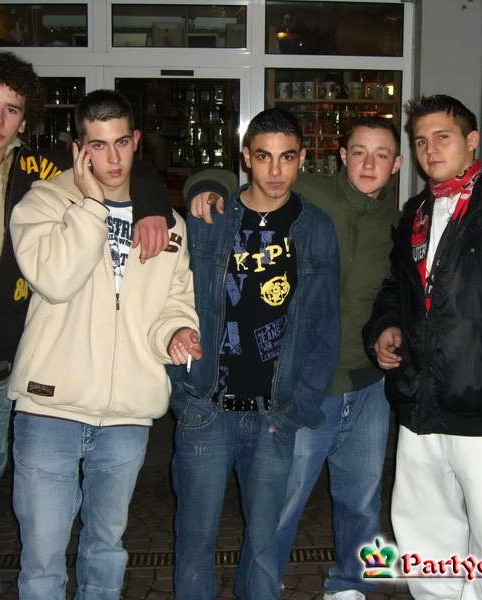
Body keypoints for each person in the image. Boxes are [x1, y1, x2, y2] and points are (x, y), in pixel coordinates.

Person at [0, 51, 171, 600]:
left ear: (26, 119)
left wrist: (154, 203)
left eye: (12, 109)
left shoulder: (35, 172)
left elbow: (114, 161)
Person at [187, 116, 403, 600]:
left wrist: (392, 326)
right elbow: (238, 178)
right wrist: (205, 185)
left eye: (382, 155)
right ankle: (267, 584)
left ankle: (354, 585)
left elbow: (398, 292)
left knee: (364, 499)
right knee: (280, 504)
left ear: (397, 163)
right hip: (307, 383)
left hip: (369, 384)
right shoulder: (308, 193)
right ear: (341, 156)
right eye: (359, 152)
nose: (369, 164)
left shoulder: (400, 222)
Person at [7, 89, 199, 599]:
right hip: (51, 408)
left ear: (136, 141)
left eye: (121, 143)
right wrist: (92, 205)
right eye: (97, 145)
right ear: (79, 149)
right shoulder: (44, 204)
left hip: (127, 415)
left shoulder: (168, 225)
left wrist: (175, 332)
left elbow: (174, 301)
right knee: (42, 561)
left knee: (106, 549)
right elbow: (56, 279)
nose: (112, 159)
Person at [363, 94, 482, 600]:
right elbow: (397, 289)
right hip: (421, 399)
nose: (430, 149)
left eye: (442, 137)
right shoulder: (416, 213)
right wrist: (386, 326)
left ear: (472, 141)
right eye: (420, 140)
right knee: (423, 533)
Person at [170, 107, 340, 600]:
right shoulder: (211, 217)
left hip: (273, 413)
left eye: (287, 157)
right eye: (264, 156)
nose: (276, 170)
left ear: (302, 158)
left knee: (265, 546)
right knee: (194, 540)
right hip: (207, 406)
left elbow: (325, 327)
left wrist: (295, 410)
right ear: (246, 158)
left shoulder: (316, 228)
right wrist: (183, 389)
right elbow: (170, 297)